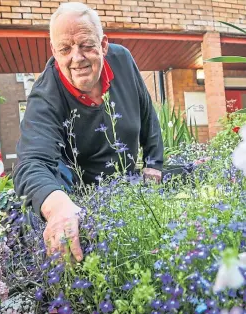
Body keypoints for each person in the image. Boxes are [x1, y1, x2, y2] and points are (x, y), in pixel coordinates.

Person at [13, 2, 164, 262]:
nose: (77, 57)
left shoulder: (122, 60)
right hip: (82, 204)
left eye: (86, 45)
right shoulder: (45, 96)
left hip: (131, 188)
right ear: (54, 51)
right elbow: (31, 163)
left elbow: (147, 112)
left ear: (103, 45)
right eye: (65, 49)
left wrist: (154, 163)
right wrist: (58, 207)